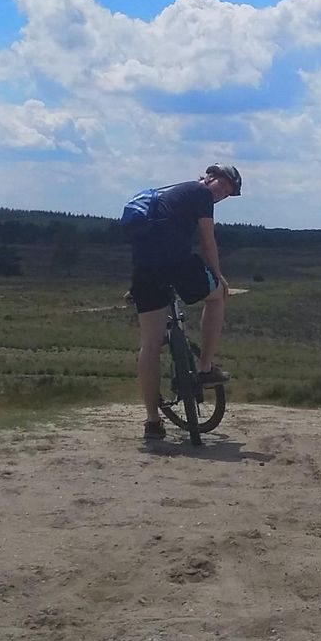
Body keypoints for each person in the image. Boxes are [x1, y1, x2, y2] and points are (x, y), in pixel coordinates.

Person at [121, 164, 242, 440]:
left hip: (144, 270)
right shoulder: (201, 193)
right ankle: (206, 367)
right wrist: (219, 276)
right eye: (223, 186)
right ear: (210, 177)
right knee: (217, 297)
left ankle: (153, 421)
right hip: (178, 264)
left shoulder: (170, 195)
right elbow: (208, 241)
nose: (222, 194)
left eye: (228, 192)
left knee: (150, 344)